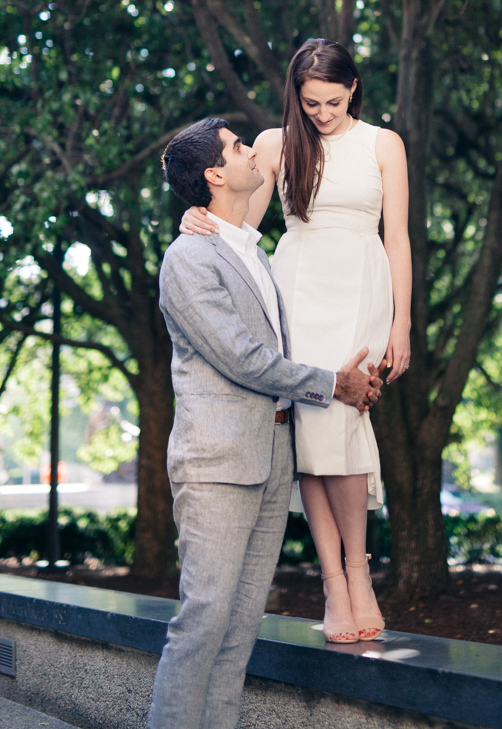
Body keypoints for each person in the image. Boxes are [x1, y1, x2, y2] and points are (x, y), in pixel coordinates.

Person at [148, 116, 382, 729]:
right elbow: (245, 360)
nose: (254, 150)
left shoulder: (253, 252)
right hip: (219, 465)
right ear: (215, 174)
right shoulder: (188, 259)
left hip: (273, 456)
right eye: (237, 146)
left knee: (241, 628)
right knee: (203, 621)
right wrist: (334, 385)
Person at [181, 39, 412, 644]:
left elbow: (399, 239)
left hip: (362, 283)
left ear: (354, 87)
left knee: (343, 420)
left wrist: (402, 323)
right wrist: (194, 218)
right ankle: (335, 585)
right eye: (310, 103)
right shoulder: (277, 143)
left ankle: (358, 574)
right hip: (299, 287)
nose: (322, 114)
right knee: (309, 431)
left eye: (333, 101)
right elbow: (239, 223)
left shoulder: (384, 145)